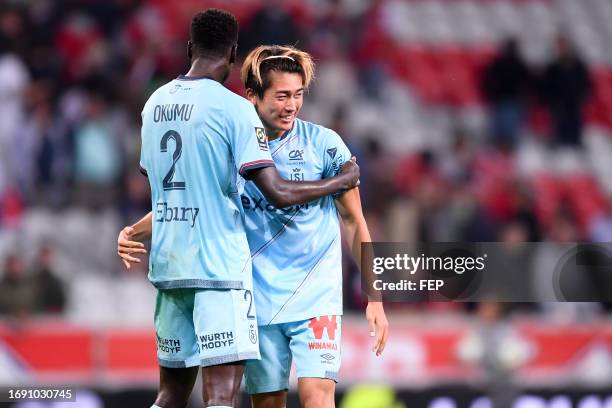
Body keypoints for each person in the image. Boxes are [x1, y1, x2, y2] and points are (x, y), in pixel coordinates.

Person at [119, 44, 385, 408]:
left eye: (298, 95)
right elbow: (196, 203)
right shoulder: (233, 144)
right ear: (252, 95)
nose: (291, 105)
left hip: (315, 296)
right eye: (281, 96)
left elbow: (354, 221)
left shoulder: (324, 145)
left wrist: (375, 296)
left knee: (317, 398)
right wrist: (135, 230)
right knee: (268, 404)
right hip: (255, 298)